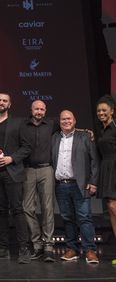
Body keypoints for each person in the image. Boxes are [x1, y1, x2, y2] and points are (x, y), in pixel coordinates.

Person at [0, 93, 31, 264]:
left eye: (5, 101)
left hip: (12, 172)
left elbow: (27, 147)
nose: (1, 102)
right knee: (1, 211)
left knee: (17, 209)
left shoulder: (18, 123)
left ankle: (24, 249)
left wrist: (11, 158)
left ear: (9, 104)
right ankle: (3, 248)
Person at [52, 110, 99, 264]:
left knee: (84, 218)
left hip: (81, 185)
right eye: (63, 119)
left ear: (74, 120)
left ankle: (90, 250)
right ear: (59, 121)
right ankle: (72, 249)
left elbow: (94, 161)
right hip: (61, 185)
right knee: (67, 218)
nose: (66, 121)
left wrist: (93, 182)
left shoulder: (85, 136)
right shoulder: (54, 138)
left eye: (69, 118)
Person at [21, 100, 57, 262]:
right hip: (28, 169)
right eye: (36, 109)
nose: (39, 111)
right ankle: (37, 244)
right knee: (27, 207)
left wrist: (85, 131)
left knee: (47, 208)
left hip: (46, 169)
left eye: (42, 109)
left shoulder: (51, 123)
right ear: (31, 109)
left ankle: (48, 245)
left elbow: (68, 124)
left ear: (45, 110)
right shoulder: (23, 125)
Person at [94, 95, 116, 265]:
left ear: (112, 111)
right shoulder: (101, 129)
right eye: (99, 110)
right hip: (106, 168)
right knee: (110, 209)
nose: (101, 113)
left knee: (113, 207)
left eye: (104, 110)